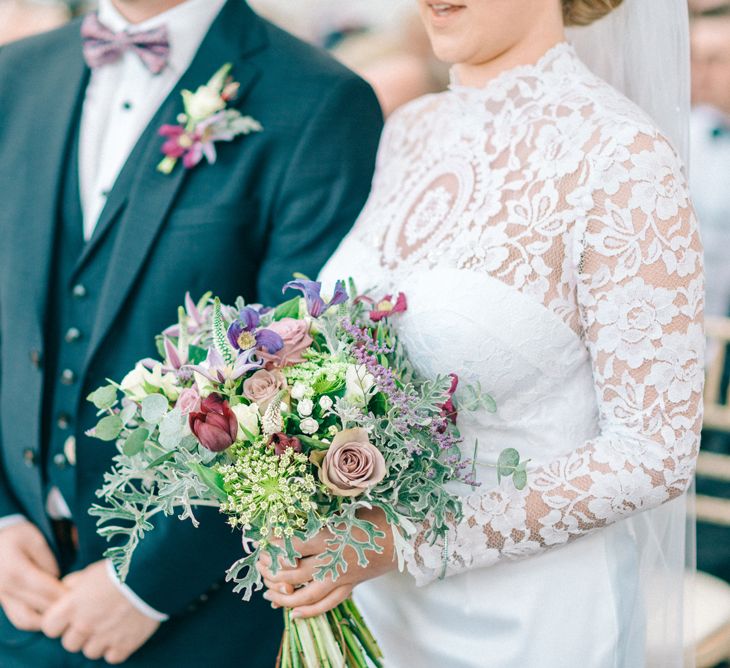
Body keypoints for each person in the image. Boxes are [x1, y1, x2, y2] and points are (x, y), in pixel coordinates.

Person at [259, 1, 704, 666]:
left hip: (531, 620)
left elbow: (653, 452)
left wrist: (405, 540)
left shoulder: (621, 157)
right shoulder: (411, 129)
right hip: (378, 605)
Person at [0, 0, 382, 665]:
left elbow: (296, 375)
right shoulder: (13, 76)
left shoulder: (319, 101)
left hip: (198, 619)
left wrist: (146, 585)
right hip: (17, 598)